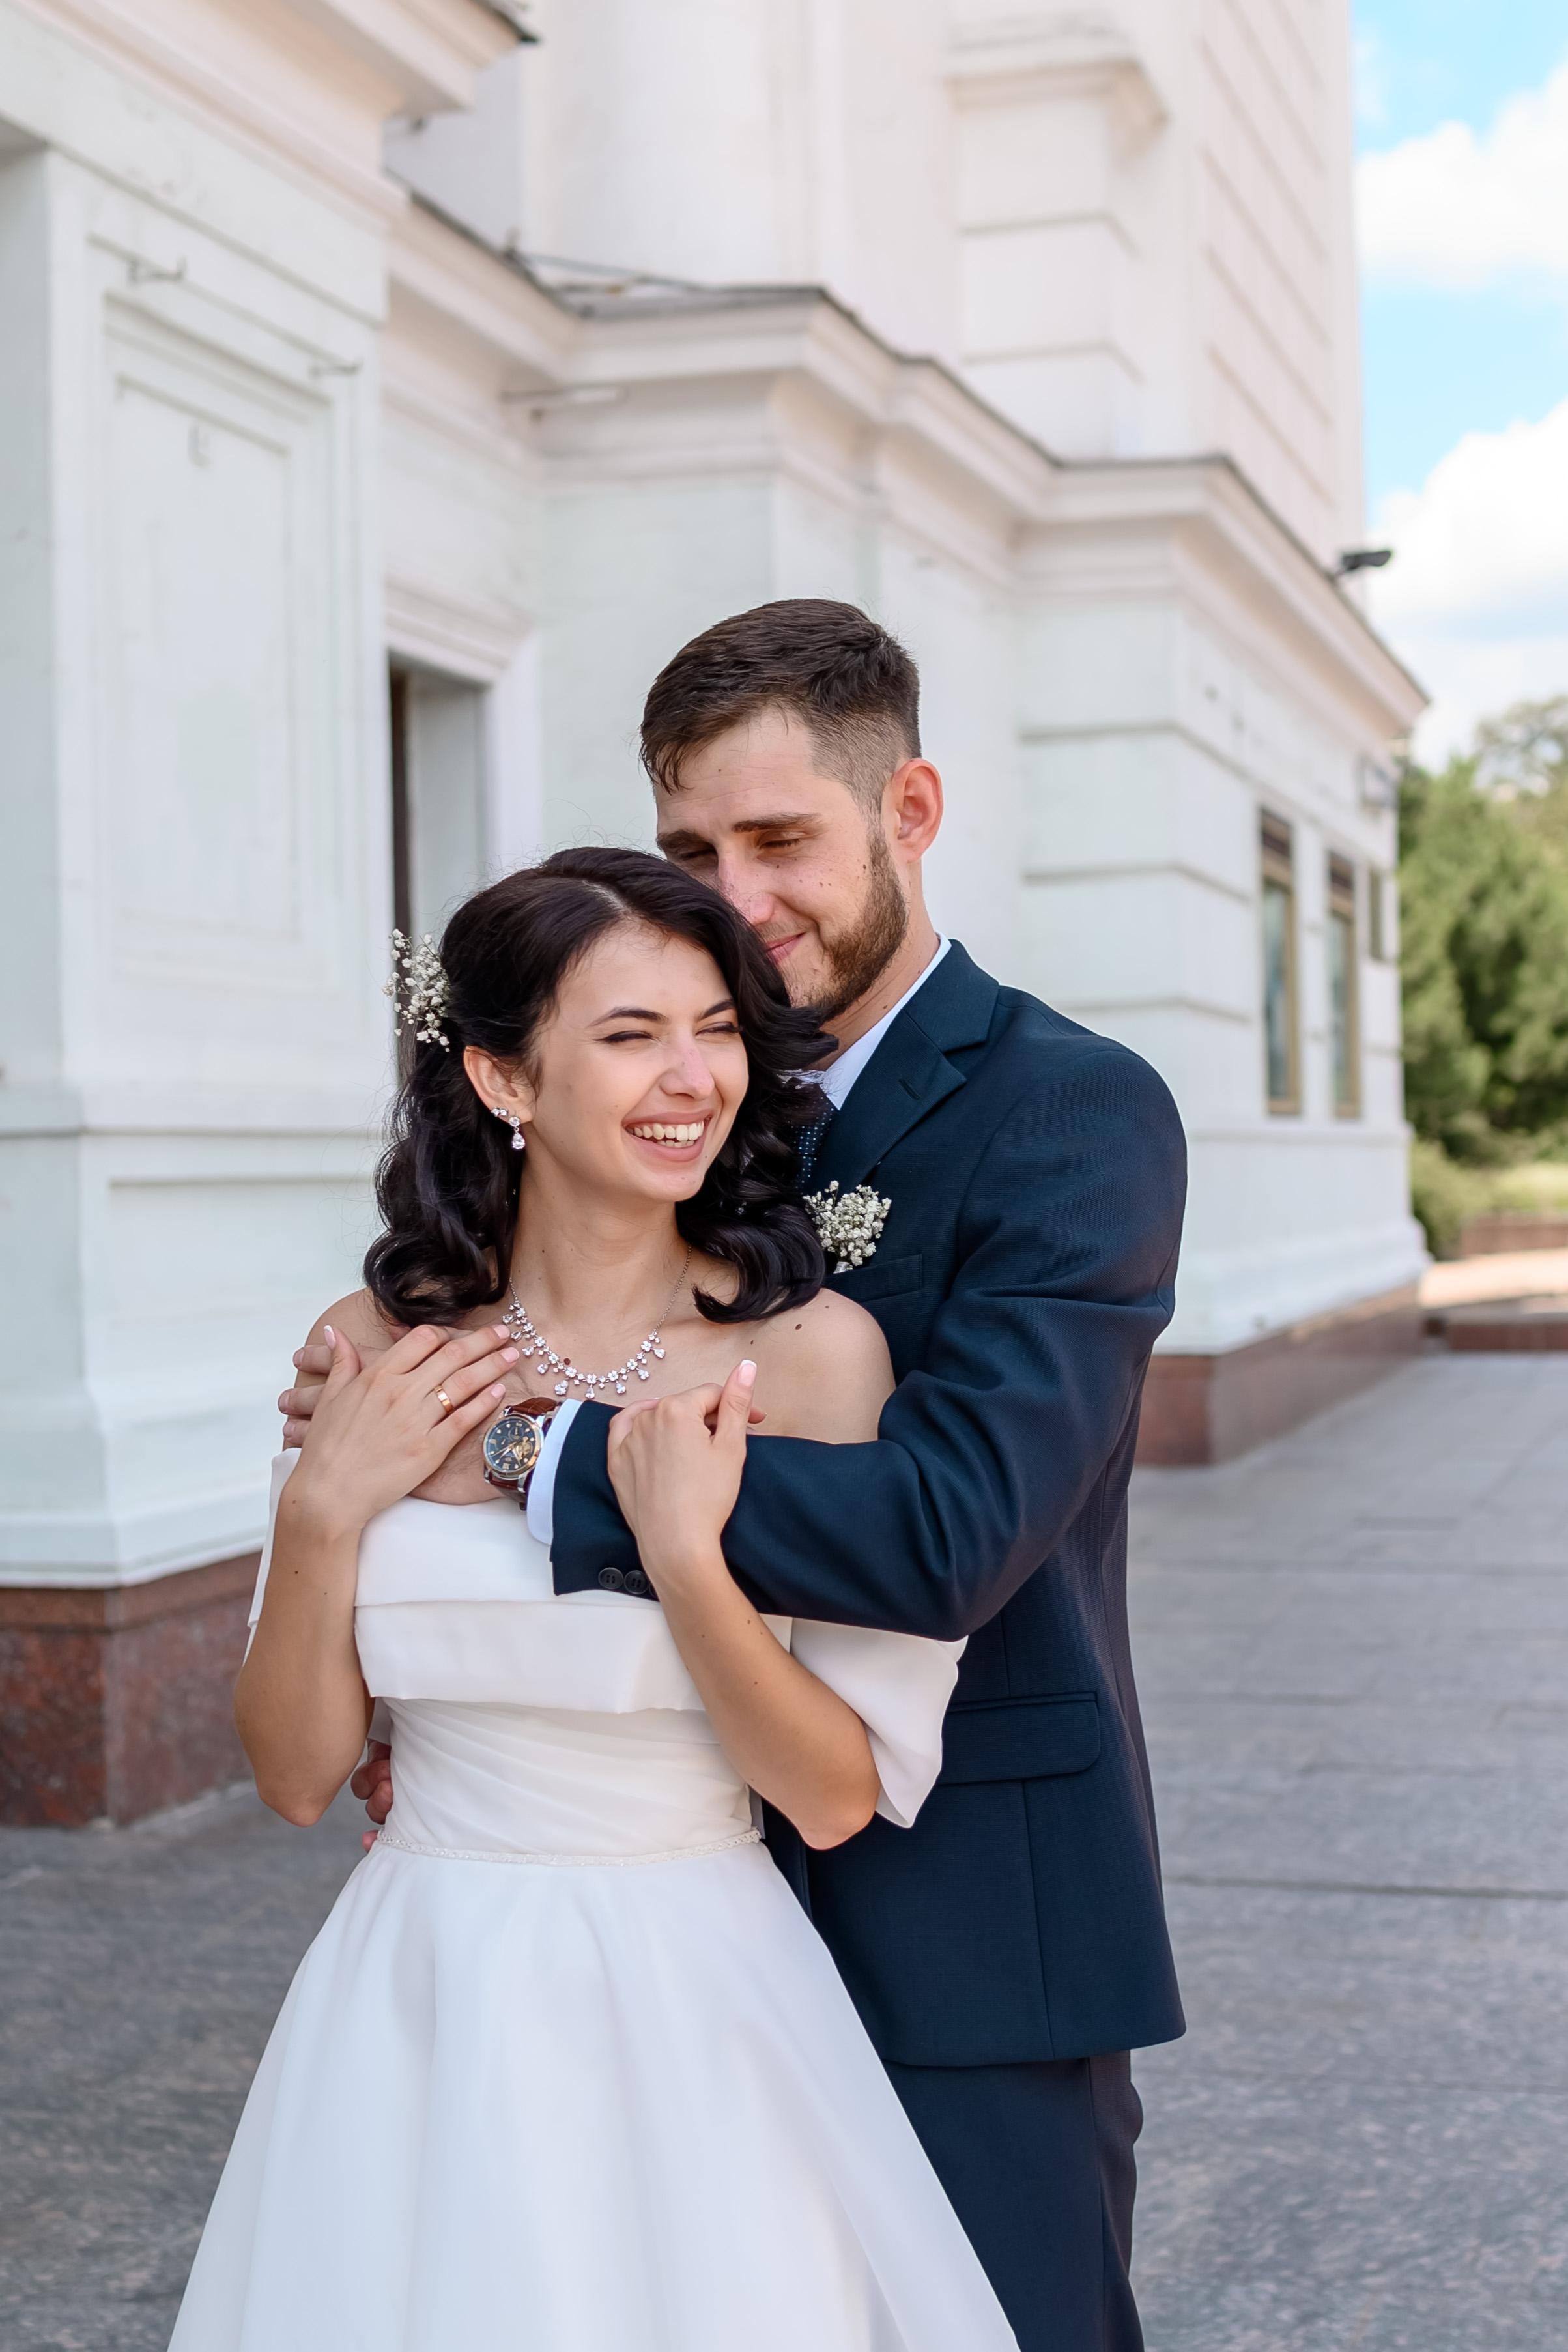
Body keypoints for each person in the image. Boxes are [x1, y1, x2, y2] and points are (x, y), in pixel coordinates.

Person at [285, 600, 1188, 2352]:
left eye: (783, 841)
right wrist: (387, 1528)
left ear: (910, 813)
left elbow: (948, 1530)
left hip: (955, 1908)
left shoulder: (1074, 1110)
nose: (737, 890)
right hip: (610, 1922)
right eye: (693, 844)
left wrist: (505, 1445)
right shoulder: (661, 1083)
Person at [171, 848, 1020, 2350]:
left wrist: (688, 1561)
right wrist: (321, 1512)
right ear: (504, 1075)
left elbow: (830, 1795)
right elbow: (299, 1774)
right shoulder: (373, 1347)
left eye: (714, 1028)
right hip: (413, 1991)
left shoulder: (814, 1358)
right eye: (631, 1035)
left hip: (699, 1992)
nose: (690, 1076)